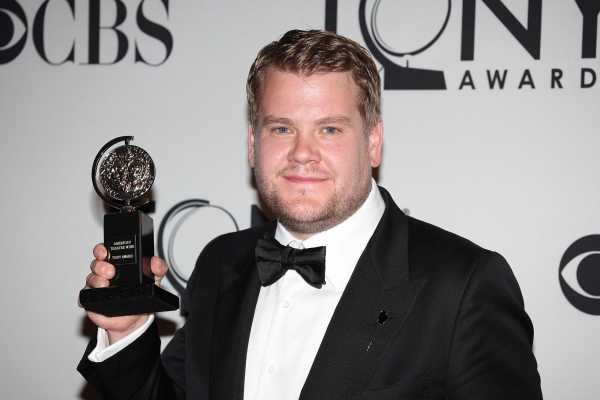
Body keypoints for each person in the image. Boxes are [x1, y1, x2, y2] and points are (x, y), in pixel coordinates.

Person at [78, 29, 543, 399]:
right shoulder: (221, 263)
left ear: (374, 141)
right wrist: (129, 333)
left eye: (330, 129)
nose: (303, 153)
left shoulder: (464, 286)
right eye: (281, 127)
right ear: (252, 142)